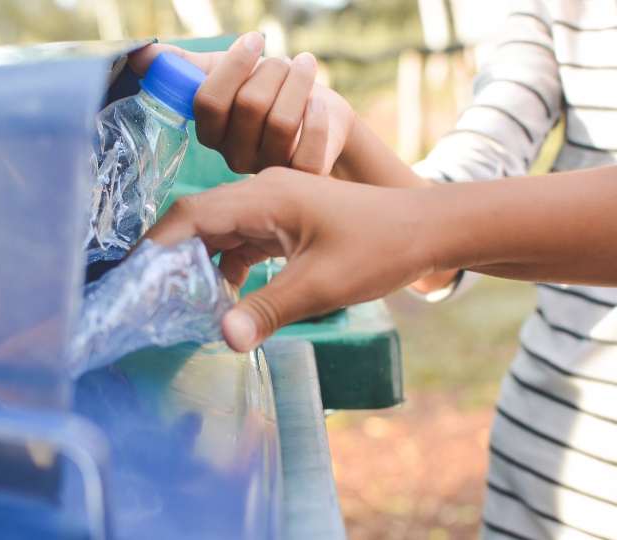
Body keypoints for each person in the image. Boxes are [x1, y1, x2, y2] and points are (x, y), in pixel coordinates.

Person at [129, 0, 617, 535]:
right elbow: (451, 234)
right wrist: (337, 129)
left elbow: (436, 226)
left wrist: (420, 228)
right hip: (540, 474)